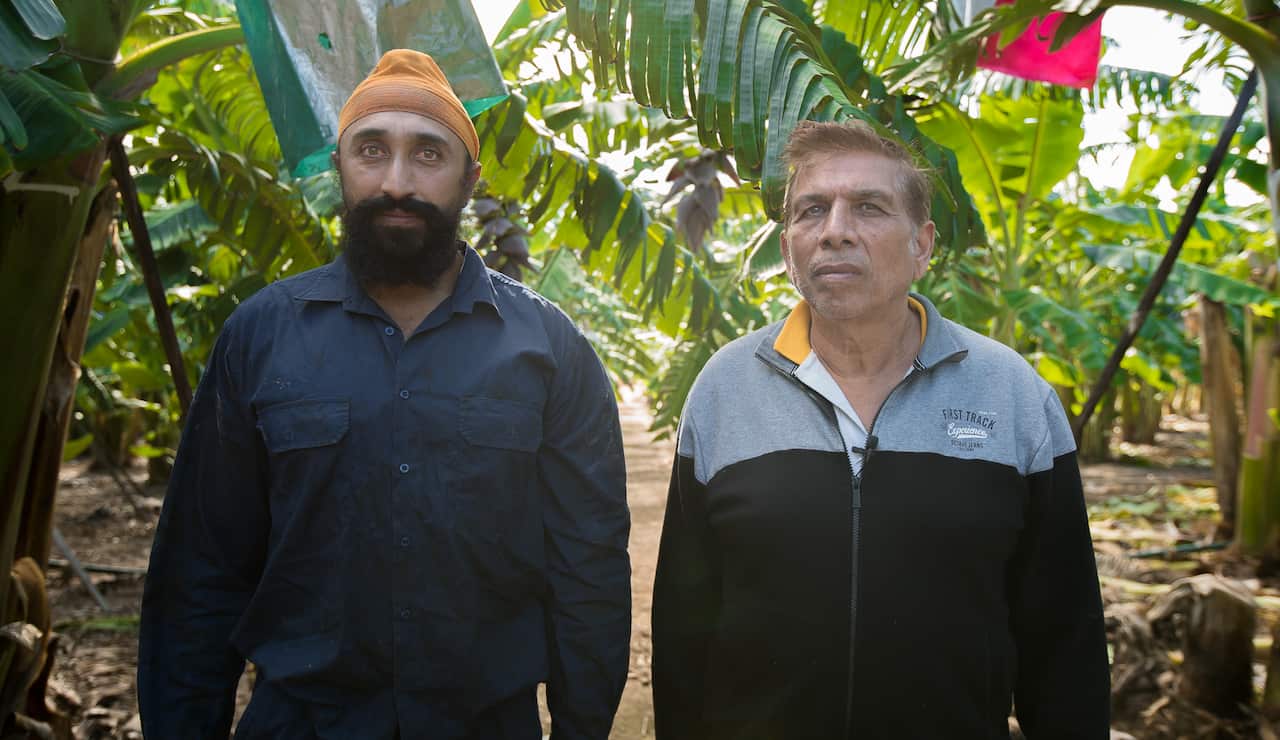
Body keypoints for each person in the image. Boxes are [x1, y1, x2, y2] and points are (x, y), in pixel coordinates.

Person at [138, 49, 631, 739]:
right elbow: (201, 570)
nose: (396, 181)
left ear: (470, 179)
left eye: (428, 154)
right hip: (300, 723)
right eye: (372, 150)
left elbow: (589, 567)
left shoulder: (549, 350)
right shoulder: (261, 337)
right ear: (340, 167)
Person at [651, 119, 1109, 738]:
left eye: (868, 208)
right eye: (812, 210)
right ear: (788, 246)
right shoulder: (724, 390)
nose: (835, 231)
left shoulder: (1012, 395)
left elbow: (1063, 636)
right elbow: (684, 623)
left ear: (922, 245)